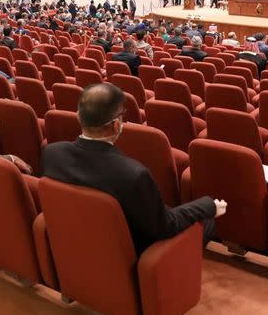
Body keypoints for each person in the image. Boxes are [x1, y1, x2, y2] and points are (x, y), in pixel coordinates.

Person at [42, 83, 226, 254]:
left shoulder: (51, 154)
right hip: (129, 256)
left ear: (79, 117)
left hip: (78, 246)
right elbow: (166, 226)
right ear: (116, 125)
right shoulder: (133, 174)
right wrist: (207, 205)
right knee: (208, 219)